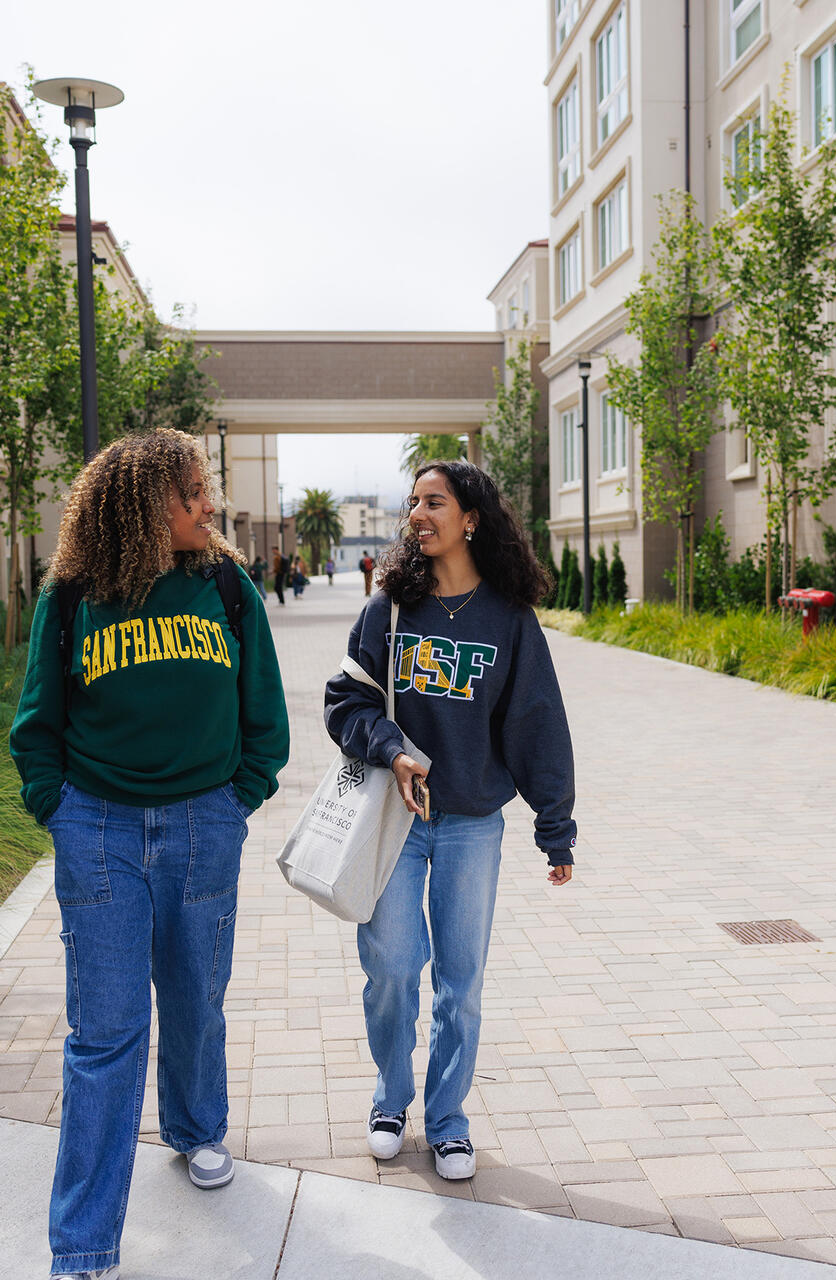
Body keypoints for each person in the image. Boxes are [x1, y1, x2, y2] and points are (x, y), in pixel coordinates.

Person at [10, 428, 290, 1280]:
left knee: (197, 996)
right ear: (141, 504)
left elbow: (264, 709)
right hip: (98, 827)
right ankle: (83, 1247)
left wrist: (240, 796)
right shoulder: (75, 595)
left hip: (204, 821)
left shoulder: (226, 587)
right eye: (192, 490)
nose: (209, 503)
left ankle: (198, 1126)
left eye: (207, 487)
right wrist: (56, 807)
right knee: (106, 1029)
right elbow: (37, 723)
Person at [324, 460, 575, 1182]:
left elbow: (537, 724)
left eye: (434, 502)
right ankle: (389, 1096)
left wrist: (554, 827)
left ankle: (448, 1120)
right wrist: (393, 750)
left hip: (471, 825)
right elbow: (346, 703)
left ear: (471, 518)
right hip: (394, 826)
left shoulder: (507, 619)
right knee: (393, 968)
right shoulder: (390, 610)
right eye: (413, 504)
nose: (417, 516)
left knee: (460, 984)